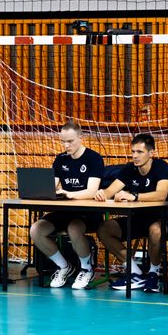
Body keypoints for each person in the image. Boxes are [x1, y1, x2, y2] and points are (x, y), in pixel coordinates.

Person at [95, 133, 168, 293]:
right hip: (139, 219)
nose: (135, 156)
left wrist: (134, 196)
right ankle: (135, 273)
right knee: (104, 229)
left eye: (139, 152)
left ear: (151, 153)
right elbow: (110, 191)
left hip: (166, 219)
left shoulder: (161, 167)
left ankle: (154, 274)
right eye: (133, 151)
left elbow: (161, 194)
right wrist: (101, 194)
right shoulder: (130, 168)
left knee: (155, 230)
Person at [29, 122, 104, 289]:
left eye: (70, 141)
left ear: (81, 137)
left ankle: (86, 269)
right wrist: (43, 191)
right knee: (36, 230)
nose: (66, 145)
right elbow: (52, 186)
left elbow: (92, 191)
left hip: (88, 212)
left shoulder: (94, 159)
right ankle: (64, 267)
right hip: (64, 211)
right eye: (63, 141)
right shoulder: (60, 159)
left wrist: (71, 194)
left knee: (74, 228)